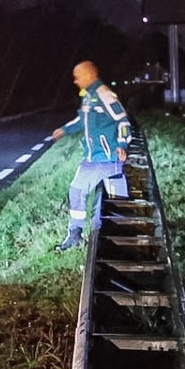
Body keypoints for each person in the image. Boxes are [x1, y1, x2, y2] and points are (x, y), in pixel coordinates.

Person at [51, 61, 132, 251]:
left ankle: (79, 236)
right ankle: (78, 235)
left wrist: (122, 144)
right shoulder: (88, 96)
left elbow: (123, 121)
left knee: (82, 191)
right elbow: (81, 120)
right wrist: (64, 130)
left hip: (106, 157)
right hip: (92, 157)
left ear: (90, 75)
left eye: (78, 76)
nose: (75, 81)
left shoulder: (104, 94)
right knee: (83, 192)